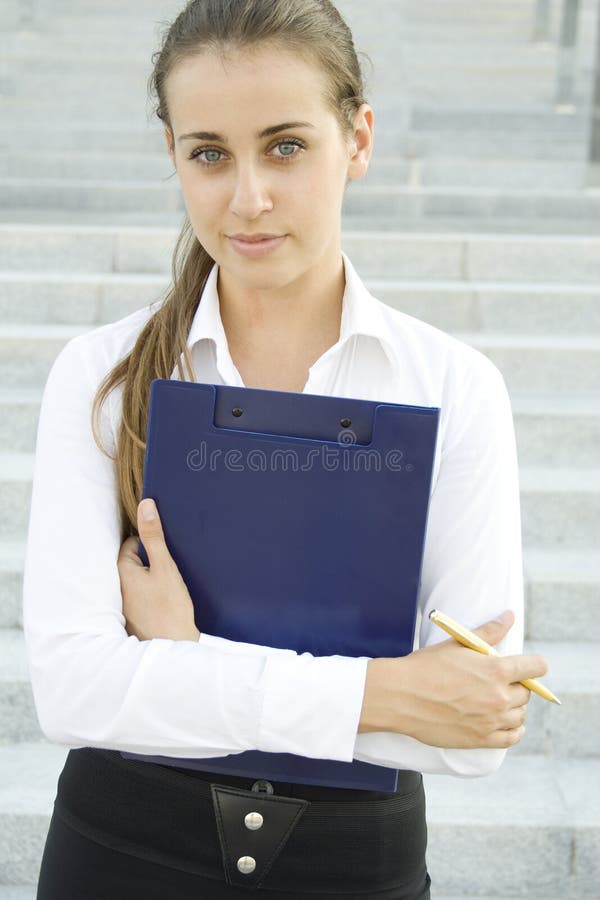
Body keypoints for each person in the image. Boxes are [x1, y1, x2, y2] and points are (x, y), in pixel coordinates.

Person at [23, 0, 549, 897]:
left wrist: (182, 660)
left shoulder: (452, 386)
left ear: (359, 139)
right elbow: (74, 690)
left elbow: (470, 732)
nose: (248, 197)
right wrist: (381, 696)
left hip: (353, 868)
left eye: (287, 146)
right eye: (210, 154)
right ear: (175, 158)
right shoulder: (103, 376)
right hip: (120, 855)